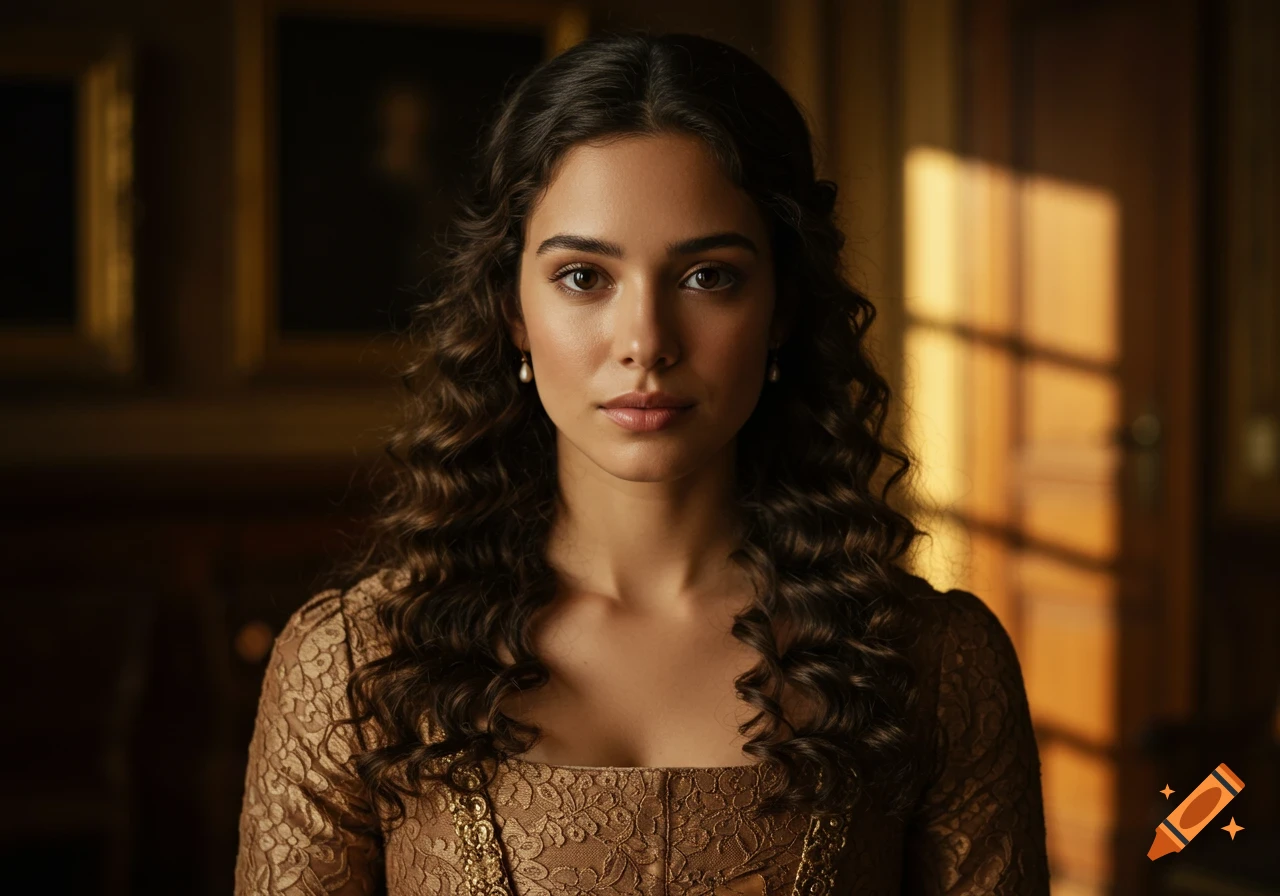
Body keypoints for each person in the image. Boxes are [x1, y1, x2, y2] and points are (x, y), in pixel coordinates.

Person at [234, 29, 1051, 895]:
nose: (646, 344)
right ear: (513, 309)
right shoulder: (358, 663)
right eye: (585, 277)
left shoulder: (932, 662)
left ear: (781, 307)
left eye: (707, 277)